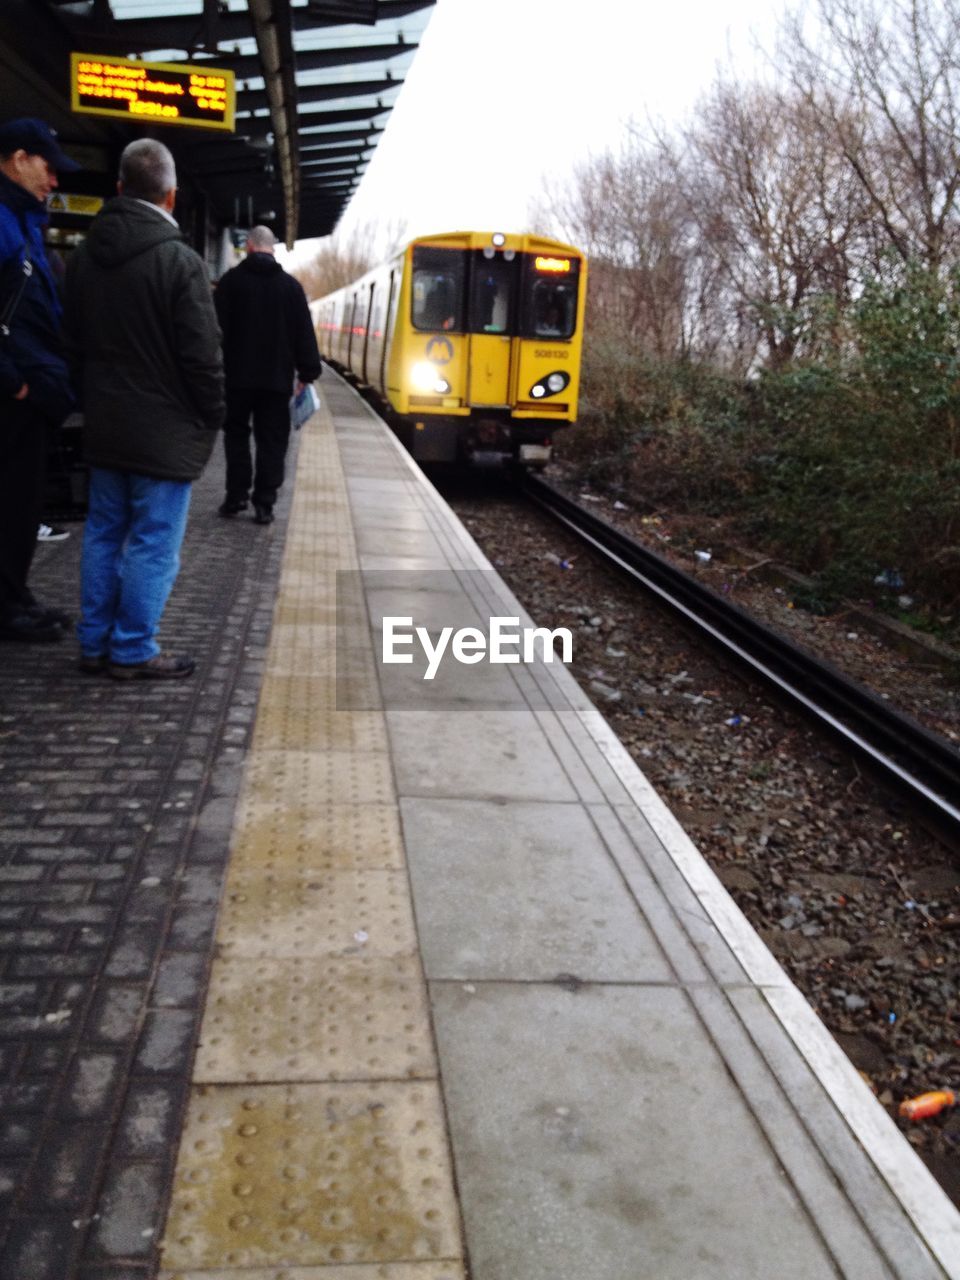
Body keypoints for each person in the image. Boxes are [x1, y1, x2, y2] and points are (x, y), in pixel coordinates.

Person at [63, 138, 224, 679]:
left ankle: (94, 643)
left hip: (105, 425)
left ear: (118, 190)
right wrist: (213, 413)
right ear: (172, 198)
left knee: (104, 534)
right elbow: (202, 354)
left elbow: (74, 340)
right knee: (153, 544)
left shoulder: (84, 258)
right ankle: (132, 649)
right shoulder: (181, 263)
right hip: (163, 433)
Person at [0, 117, 79, 643]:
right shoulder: (3, 220)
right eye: (48, 169)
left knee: (21, 501)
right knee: (7, 500)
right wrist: (14, 383)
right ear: (20, 158)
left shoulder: (22, 218)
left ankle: (13, 594)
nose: (54, 182)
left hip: (27, 397)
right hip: (9, 396)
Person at [214, 224, 320, 525]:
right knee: (272, 440)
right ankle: (265, 504)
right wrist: (307, 373)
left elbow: (214, 332)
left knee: (236, 435)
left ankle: (236, 496)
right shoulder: (291, 287)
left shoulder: (230, 283)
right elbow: (304, 334)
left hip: (237, 379)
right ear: (272, 248)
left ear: (248, 245)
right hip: (276, 382)